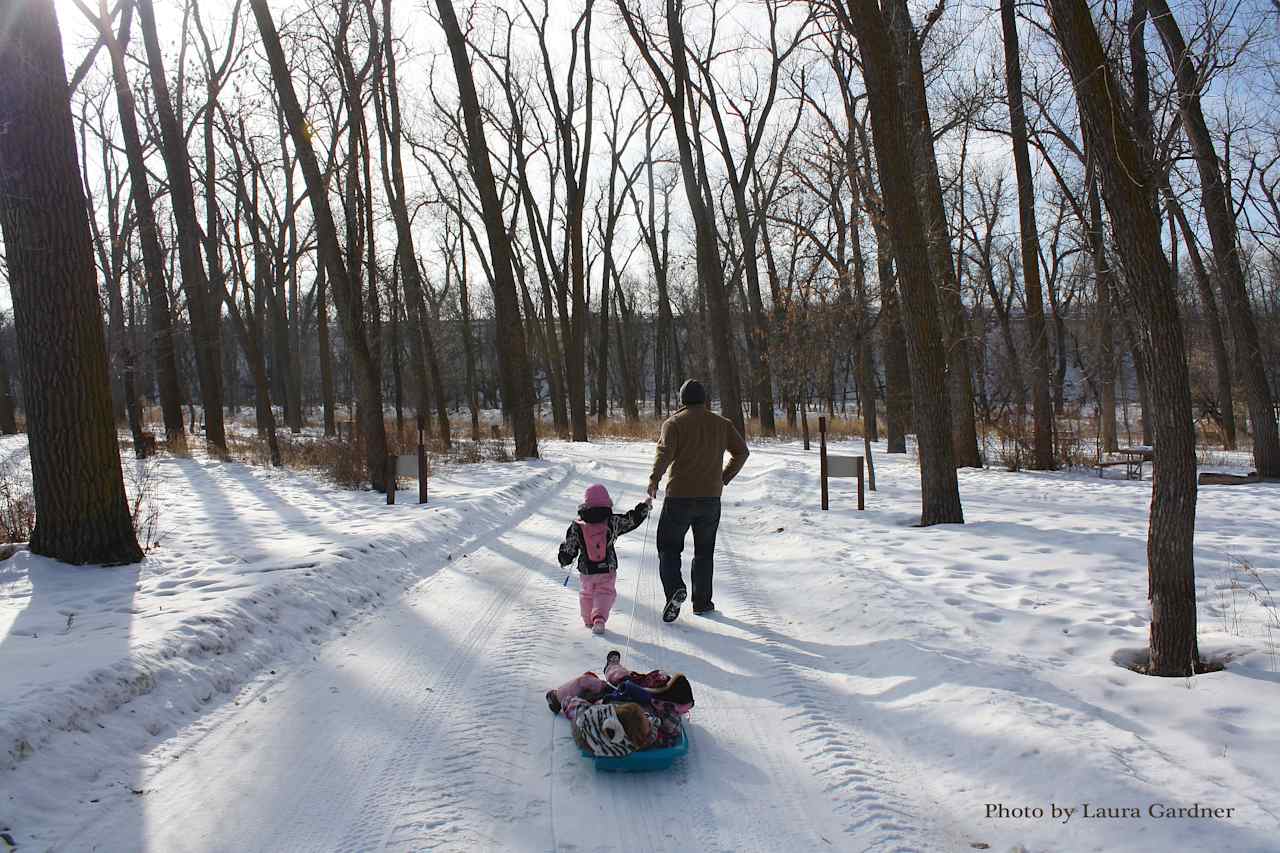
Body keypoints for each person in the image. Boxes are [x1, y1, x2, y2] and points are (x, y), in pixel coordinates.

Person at [646, 379, 749, 622]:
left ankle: (675, 590)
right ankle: (702, 602)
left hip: (679, 497)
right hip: (710, 499)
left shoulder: (673, 423)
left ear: (682, 399)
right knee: (704, 551)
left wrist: (654, 480)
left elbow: (664, 454)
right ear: (704, 399)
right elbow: (742, 452)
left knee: (669, 548)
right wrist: (723, 478)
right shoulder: (722, 424)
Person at [545, 650, 694, 756]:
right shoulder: (653, 729)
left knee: (587, 682)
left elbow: (579, 711)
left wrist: (567, 700)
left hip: (607, 698)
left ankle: (556, 697)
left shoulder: (603, 717)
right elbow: (670, 729)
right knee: (618, 677)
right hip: (624, 694)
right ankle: (611, 666)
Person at [557, 484, 651, 634]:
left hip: (586, 570)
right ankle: (599, 619)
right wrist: (643, 508)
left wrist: (564, 558)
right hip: (607, 567)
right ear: (607, 501)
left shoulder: (577, 525)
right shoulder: (612, 521)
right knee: (605, 592)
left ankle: (588, 619)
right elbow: (630, 520)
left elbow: (570, 547)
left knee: (586, 593)